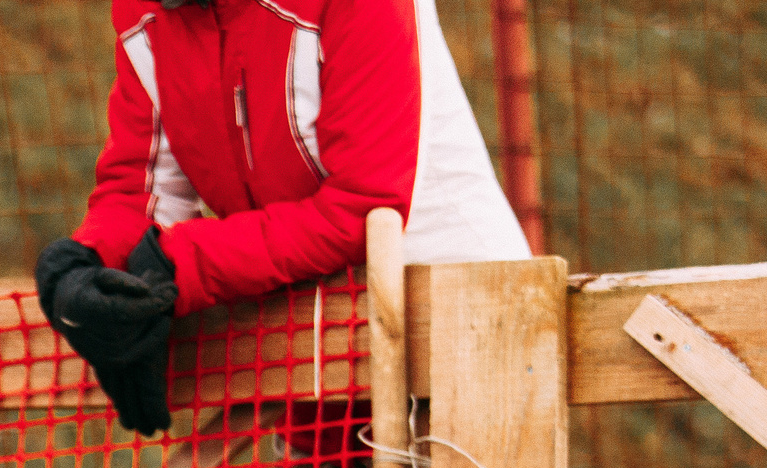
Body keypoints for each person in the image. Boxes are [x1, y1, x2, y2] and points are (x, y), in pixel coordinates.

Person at [36, 0, 529, 434]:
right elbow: (141, 191)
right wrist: (83, 269)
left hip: (460, 331)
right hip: (308, 346)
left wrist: (180, 266)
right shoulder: (145, 11)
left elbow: (364, 207)